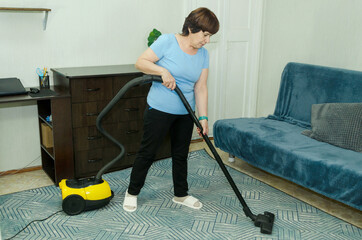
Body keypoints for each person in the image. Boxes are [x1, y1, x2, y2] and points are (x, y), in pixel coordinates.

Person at [123, 7, 219, 212]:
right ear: (192, 28)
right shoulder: (168, 41)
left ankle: (181, 194)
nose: (207, 41)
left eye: (210, 36)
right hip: (159, 108)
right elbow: (141, 62)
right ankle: (132, 192)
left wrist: (203, 118)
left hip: (186, 112)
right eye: (205, 35)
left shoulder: (203, 55)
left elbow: (201, 87)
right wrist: (162, 71)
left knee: (181, 154)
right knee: (147, 152)